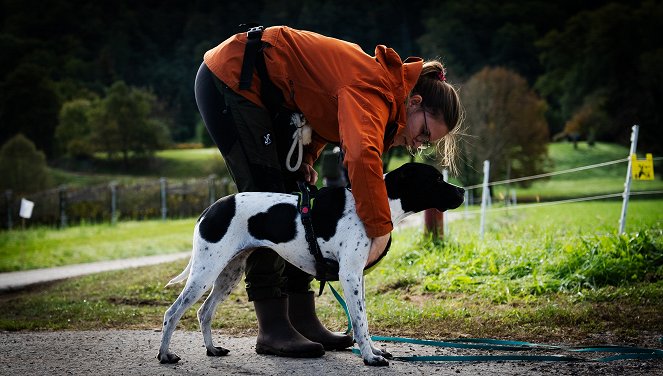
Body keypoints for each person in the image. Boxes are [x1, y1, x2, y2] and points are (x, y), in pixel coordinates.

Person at [194, 25, 464, 358]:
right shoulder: (374, 91)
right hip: (233, 79)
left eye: (426, 144)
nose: (418, 144)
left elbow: (324, 112)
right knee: (268, 194)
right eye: (424, 132)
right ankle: (273, 326)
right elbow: (361, 157)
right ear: (416, 102)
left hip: (268, 94)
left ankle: (301, 317)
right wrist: (380, 230)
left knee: (298, 191)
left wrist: (307, 158)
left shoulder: (383, 93)